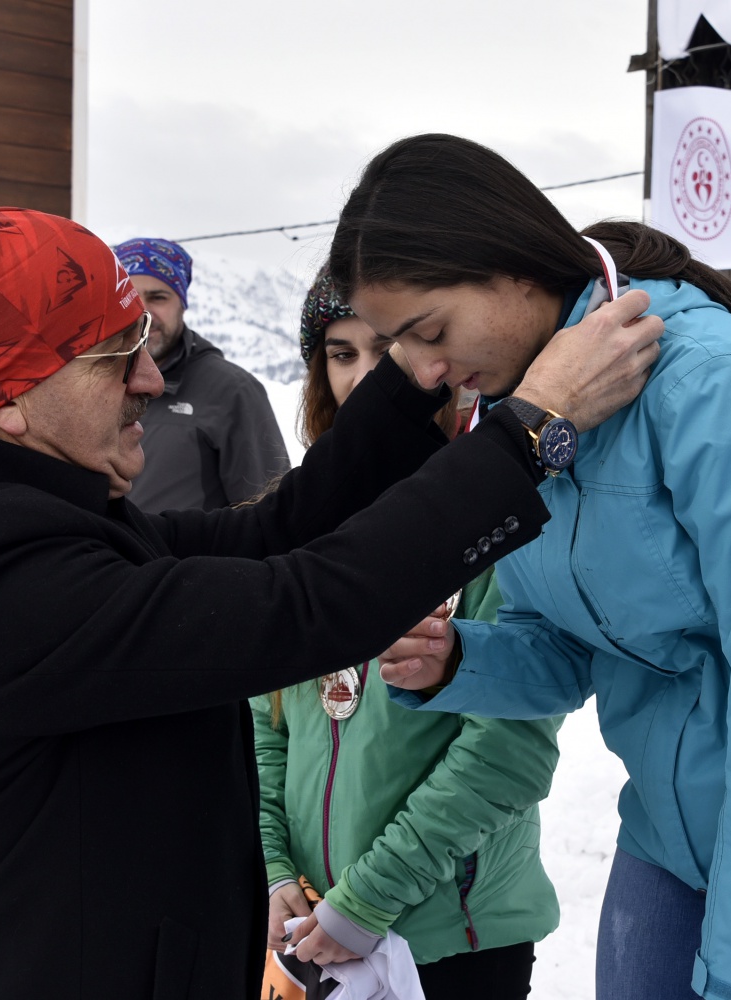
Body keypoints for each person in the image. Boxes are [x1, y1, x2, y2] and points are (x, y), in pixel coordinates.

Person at [0, 200, 662, 999]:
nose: (151, 377)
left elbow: (278, 532)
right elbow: (301, 605)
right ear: (7, 399)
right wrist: (529, 430)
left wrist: (417, 379)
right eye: (112, 357)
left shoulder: (42, 526)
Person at [346, 135, 731, 1000]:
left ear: (510, 269)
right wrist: (463, 659)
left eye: (429, 332)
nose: (430, 372)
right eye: (401, 346)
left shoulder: (719, 387)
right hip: (672, 825)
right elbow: (575, 640)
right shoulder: (522, 416)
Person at [253, 270, 560, 999]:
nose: (364, 377)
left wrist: (368, 898)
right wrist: (273, 870)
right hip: (314, 932)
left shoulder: (499, 518)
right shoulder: (297, 528)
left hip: (449, 939)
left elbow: (507, 749)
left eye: (388, 350)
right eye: (341, 353)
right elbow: (268, 727)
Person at [112, 237, 288, 511]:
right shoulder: (93, 382)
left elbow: (271, 513)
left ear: (182, 303)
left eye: (158, 297)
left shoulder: (232, 391)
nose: (144, 312)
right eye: (131, 298)